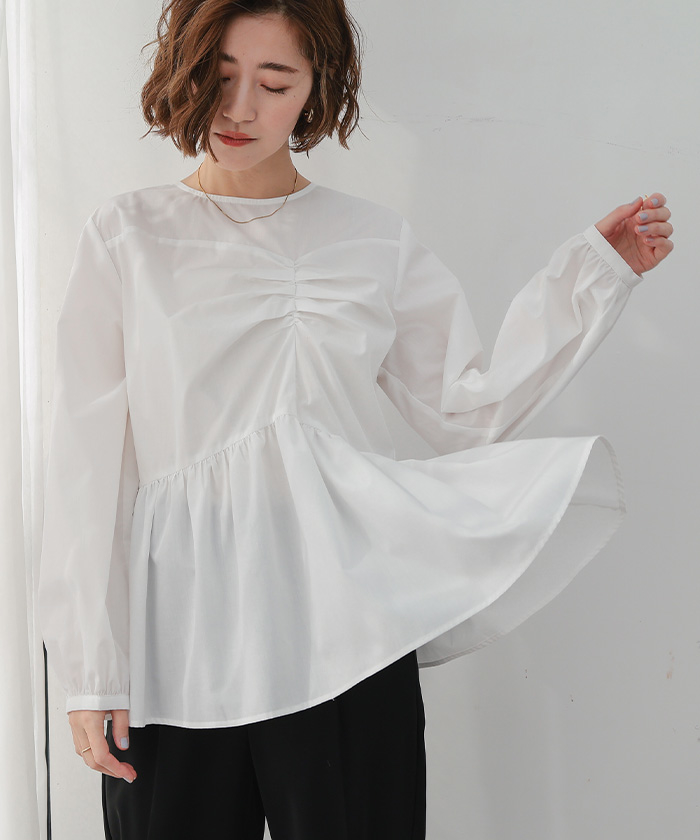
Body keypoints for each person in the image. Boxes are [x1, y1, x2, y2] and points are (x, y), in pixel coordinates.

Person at [37, 0, 674, 838]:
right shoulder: (127, 235)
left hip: (345, 631)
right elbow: (85, 464)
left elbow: (466, 409)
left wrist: (592, 277)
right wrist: (91, 670)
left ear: (316, 87)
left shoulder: (371, 240)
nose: (240, 108)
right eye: (221, 77)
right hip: (175, 644)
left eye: (275, 83)